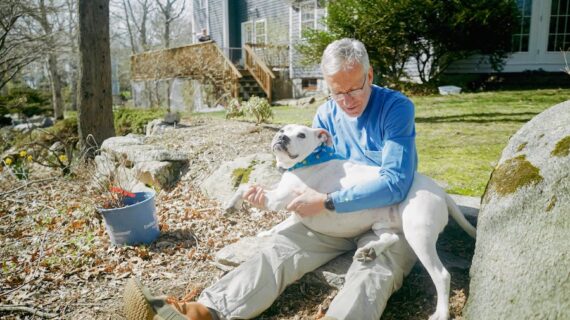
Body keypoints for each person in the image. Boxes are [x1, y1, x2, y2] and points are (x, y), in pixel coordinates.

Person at [123, 38, 418, 320]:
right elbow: (306, 169)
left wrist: (328, 201)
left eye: (354, 89)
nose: (346, 101)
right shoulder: (326, 114)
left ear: (370, 74)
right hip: (332, 221)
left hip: (387, 218)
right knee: (279, 249)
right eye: (336, 92)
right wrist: (277, 196)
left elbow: (396, 183)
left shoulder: (395, 108)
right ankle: (203, 312)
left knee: (375, 268)